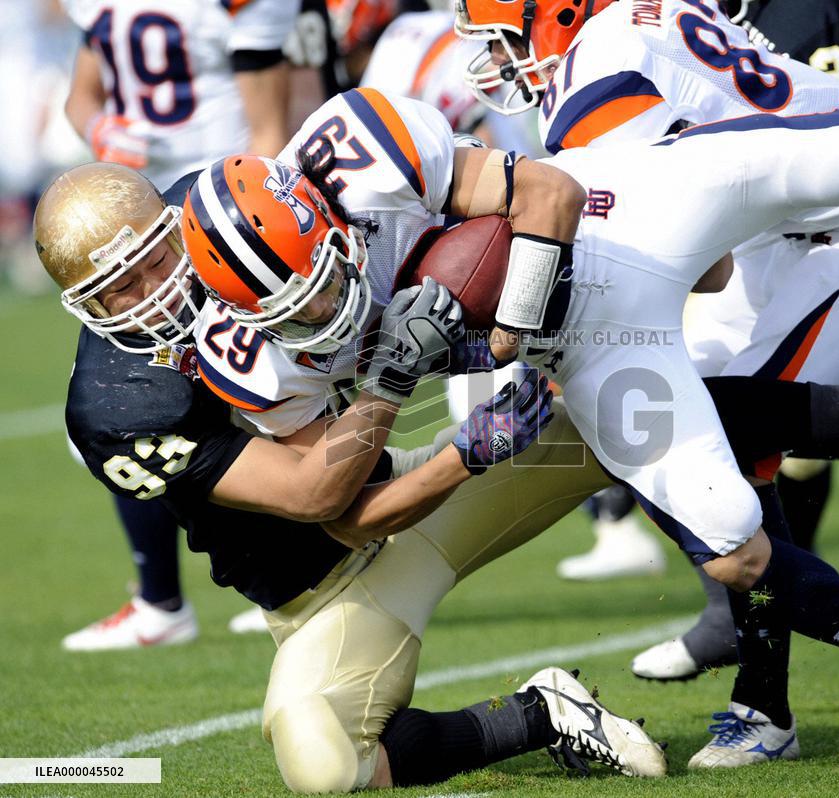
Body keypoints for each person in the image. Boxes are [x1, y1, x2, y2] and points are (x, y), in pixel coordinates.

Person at [182, 4, 839, 769]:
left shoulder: (359, 146)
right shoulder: (255, 357)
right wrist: (454, 442)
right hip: (592, 348)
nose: (324, 315)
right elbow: (345, 507)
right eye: (295, 314)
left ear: (326, 218)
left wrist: (509, 334)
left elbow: (551, 193)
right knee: (734, 550)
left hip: (625, 215)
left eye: (324, 284)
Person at [34, 160, 667, 792]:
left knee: (642, 419)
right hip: (327, 579)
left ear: (177, 225)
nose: (155, 290)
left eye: (154, 256)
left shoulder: (226, 216)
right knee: (322, 764)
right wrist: (439, 421)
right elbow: (321, 498)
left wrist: (480, 322)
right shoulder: (119, 407)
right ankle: (542, 715)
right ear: (81, 305)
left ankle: (751, 649)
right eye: (120, 287)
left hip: (401, 494)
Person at [455, 0, 839, 679]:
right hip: (779, 225)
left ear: (559, 13)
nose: (499, 62)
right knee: (672, 432)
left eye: (504, 42)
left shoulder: (592, 76)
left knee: (722, 437)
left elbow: (695, 263)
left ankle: (772, 700)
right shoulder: (639, 25)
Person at [57, 0, 300, 646]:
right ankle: (162, 601)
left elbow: (270, 127)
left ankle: (307, 561)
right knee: (125, 415)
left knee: (263, 386)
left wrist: (256, 230)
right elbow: (81, 97)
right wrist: (102, 130)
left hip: (218, 218)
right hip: (126, 240)